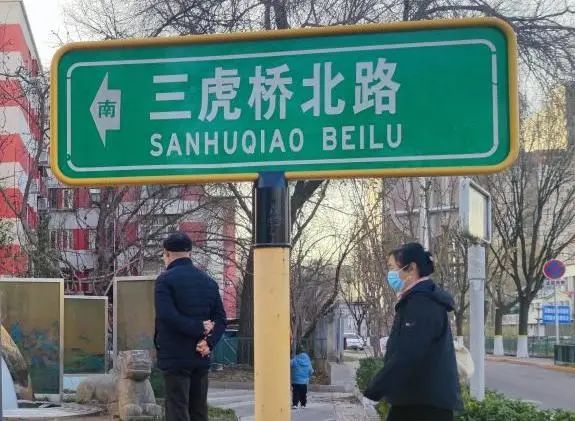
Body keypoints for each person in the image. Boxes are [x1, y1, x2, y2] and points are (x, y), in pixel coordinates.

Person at [363, 242, 461, 421]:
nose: (391, 274)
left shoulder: (422, 304)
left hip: (424, 405)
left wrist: (374, 391)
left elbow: (409, 354)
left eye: (393, 268)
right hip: (416, 400)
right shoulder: (416, 301)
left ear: (411, 268)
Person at [154, 231, 227, 421]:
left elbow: (167, 316)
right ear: (190, 253)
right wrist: (209, 342)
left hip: (175, 357)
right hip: (200, 355)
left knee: (177, 408)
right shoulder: (209, 282)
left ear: (167, 254)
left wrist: (198, 327)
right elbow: (221, 319)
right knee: (199, 410)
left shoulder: (164, 280)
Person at [290, 345, 314, 409]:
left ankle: (295, 404)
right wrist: (309, 376)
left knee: (295, 393)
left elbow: (289, 364)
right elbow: (311, 370)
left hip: (295, 380)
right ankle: (303, 404)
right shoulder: (307, 360)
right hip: (304, 381)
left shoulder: (295, 359)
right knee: (303, 393)